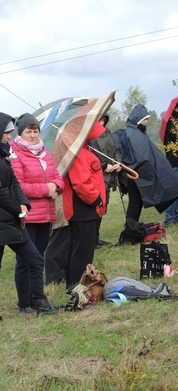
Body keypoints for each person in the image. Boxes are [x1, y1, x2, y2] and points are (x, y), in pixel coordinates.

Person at [0, 112, 56, 321]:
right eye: (6, 133)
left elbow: (13, 183)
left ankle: (39, 301)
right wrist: (18, 209)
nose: (9, 137)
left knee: (36, 260)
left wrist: (24, 203)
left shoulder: (3, 153)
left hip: (11, 219)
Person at [9, 113, 65, 312]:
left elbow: (59, 179)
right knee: (25, 260)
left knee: (39, 258)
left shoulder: (45, 154)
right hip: (29, 216)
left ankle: (36, 297)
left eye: (35, 131)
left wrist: (55, 186)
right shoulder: (15, 154)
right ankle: (24, 303)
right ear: (20, 133)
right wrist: (46, 189)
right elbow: (19, 186)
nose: (32, 135)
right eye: (28, 131)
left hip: (46, 215)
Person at [115, 104, 178, 242]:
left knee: (136, 203)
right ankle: (129, 232)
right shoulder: (131, 133)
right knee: (135, 204)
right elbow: (139, 155)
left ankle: (130, 230)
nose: (147, 122)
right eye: (145, 119)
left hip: (139, 175)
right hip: (135, 175)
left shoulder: (139, 132)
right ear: (138, 119)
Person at [62, 122, 107, 288]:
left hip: (81, 208)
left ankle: (73, 282)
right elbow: (81, 183)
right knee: (83, 249)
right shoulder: (79, 153)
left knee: (77, 246)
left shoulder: (82, 150)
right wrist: (96, 199)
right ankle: (78, 285)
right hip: (83, 208)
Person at [89, 114, 121, 247]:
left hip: (109, 177)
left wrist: (118, 163)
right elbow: (91, 155)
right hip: (96, 177)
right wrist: (104, 165)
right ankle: (91, 239)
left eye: (103, 120)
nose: (101, 123)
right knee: (96, 207)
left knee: (103, 207)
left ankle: (96, 238)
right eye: (99, 120)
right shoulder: (89, 137)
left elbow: (116, 150)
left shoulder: (108, 133)